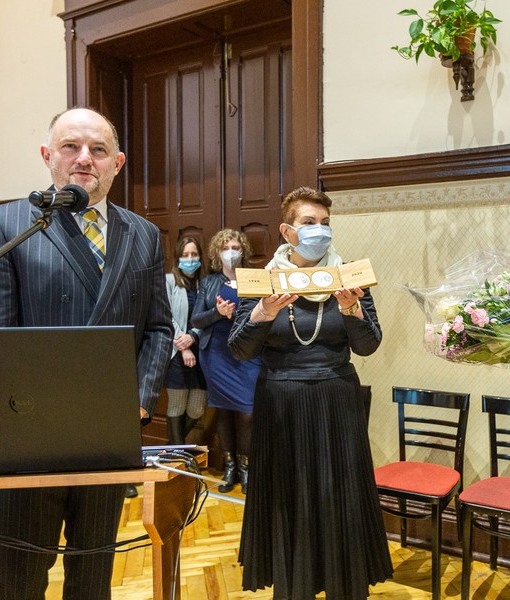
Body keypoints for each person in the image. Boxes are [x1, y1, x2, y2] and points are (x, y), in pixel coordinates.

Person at [0, 107, 173, 599]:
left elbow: (159, 328)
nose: (84, 158)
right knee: (19, 578)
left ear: (117, 163)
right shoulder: (7, 224)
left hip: (108, 433)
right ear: (47, 156)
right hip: (28, 438)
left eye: (98, 150)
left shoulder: (142, 233)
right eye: (71, 147)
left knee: (93, 575)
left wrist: (139, 402)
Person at [229, 186, 393, 599]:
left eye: (325, 223)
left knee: (339, 498)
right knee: (289, 499)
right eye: (309, 223)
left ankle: (343, 584)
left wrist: (352, 309)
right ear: (288, 232)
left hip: (336, 401)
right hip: (280, 403)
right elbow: (240, 349)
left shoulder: (350, 276)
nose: (319, 231)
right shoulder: (263, 280)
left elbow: (368, 346)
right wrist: (263, 312)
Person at [191, 229, 261, 493]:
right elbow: (197, 320)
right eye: (225, 248)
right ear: (217, 253)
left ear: (243, 251)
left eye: (235, 247)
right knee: (222, 410)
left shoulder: (254, 279)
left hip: (248, 355)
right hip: (216, 354)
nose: (231, 253)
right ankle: (230, 467)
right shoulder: (208, 282)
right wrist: (217, 312)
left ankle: (246, 467)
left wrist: (239, 316)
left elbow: (264, 315)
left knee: (247, 412)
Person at [164, 235, 208, 444]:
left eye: (194, 254)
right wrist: (184, 346)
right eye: (185, 255)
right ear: (177, 258)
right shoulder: (169, 281)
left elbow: (209, 317)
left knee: (197, 409)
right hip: (177, 352)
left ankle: (171, 447)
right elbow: (165, 315)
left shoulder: (205, 283)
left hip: (202, 351)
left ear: (200, 257)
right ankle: (178, 454)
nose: (190, 259)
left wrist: (193, 337)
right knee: (177, 406)